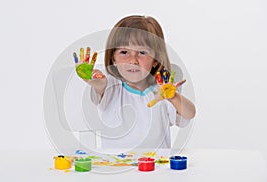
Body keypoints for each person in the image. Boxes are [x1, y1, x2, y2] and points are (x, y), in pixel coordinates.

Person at [74, 15, 196, 149]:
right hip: (116, 166)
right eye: (124, 52)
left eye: (142, 52)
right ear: (113, 58)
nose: (133, 60)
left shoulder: (163, 90)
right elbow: (99, 85)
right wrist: (89, 79)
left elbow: (189, 113)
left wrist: (174, 97)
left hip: (156, 167)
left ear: (156, 59)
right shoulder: (110, 85)